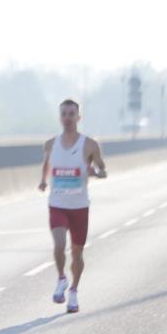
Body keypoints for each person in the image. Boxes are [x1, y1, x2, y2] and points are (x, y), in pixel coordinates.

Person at [38, 99, 106, 313]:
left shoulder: (90, 145)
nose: (67, 118)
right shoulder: (50, 144)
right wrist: (43, 180)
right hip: (57, 204)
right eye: (64, 114)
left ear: (79, 117)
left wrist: (96, 173)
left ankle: (74, 291)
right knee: (59, 245)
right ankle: (61, 278)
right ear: (60, 118)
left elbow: (103, 170)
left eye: (71, 114)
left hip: (79, 207)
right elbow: (47, 163)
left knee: (77, 253)